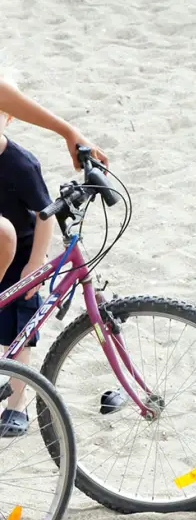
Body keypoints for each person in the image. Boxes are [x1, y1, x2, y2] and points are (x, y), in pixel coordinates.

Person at [0, 77, 108, 435]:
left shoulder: (21, 165)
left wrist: (35, 263)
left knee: (19, 335)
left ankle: (17, 405)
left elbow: (44, 214)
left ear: (8, 119)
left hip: (21, 260)